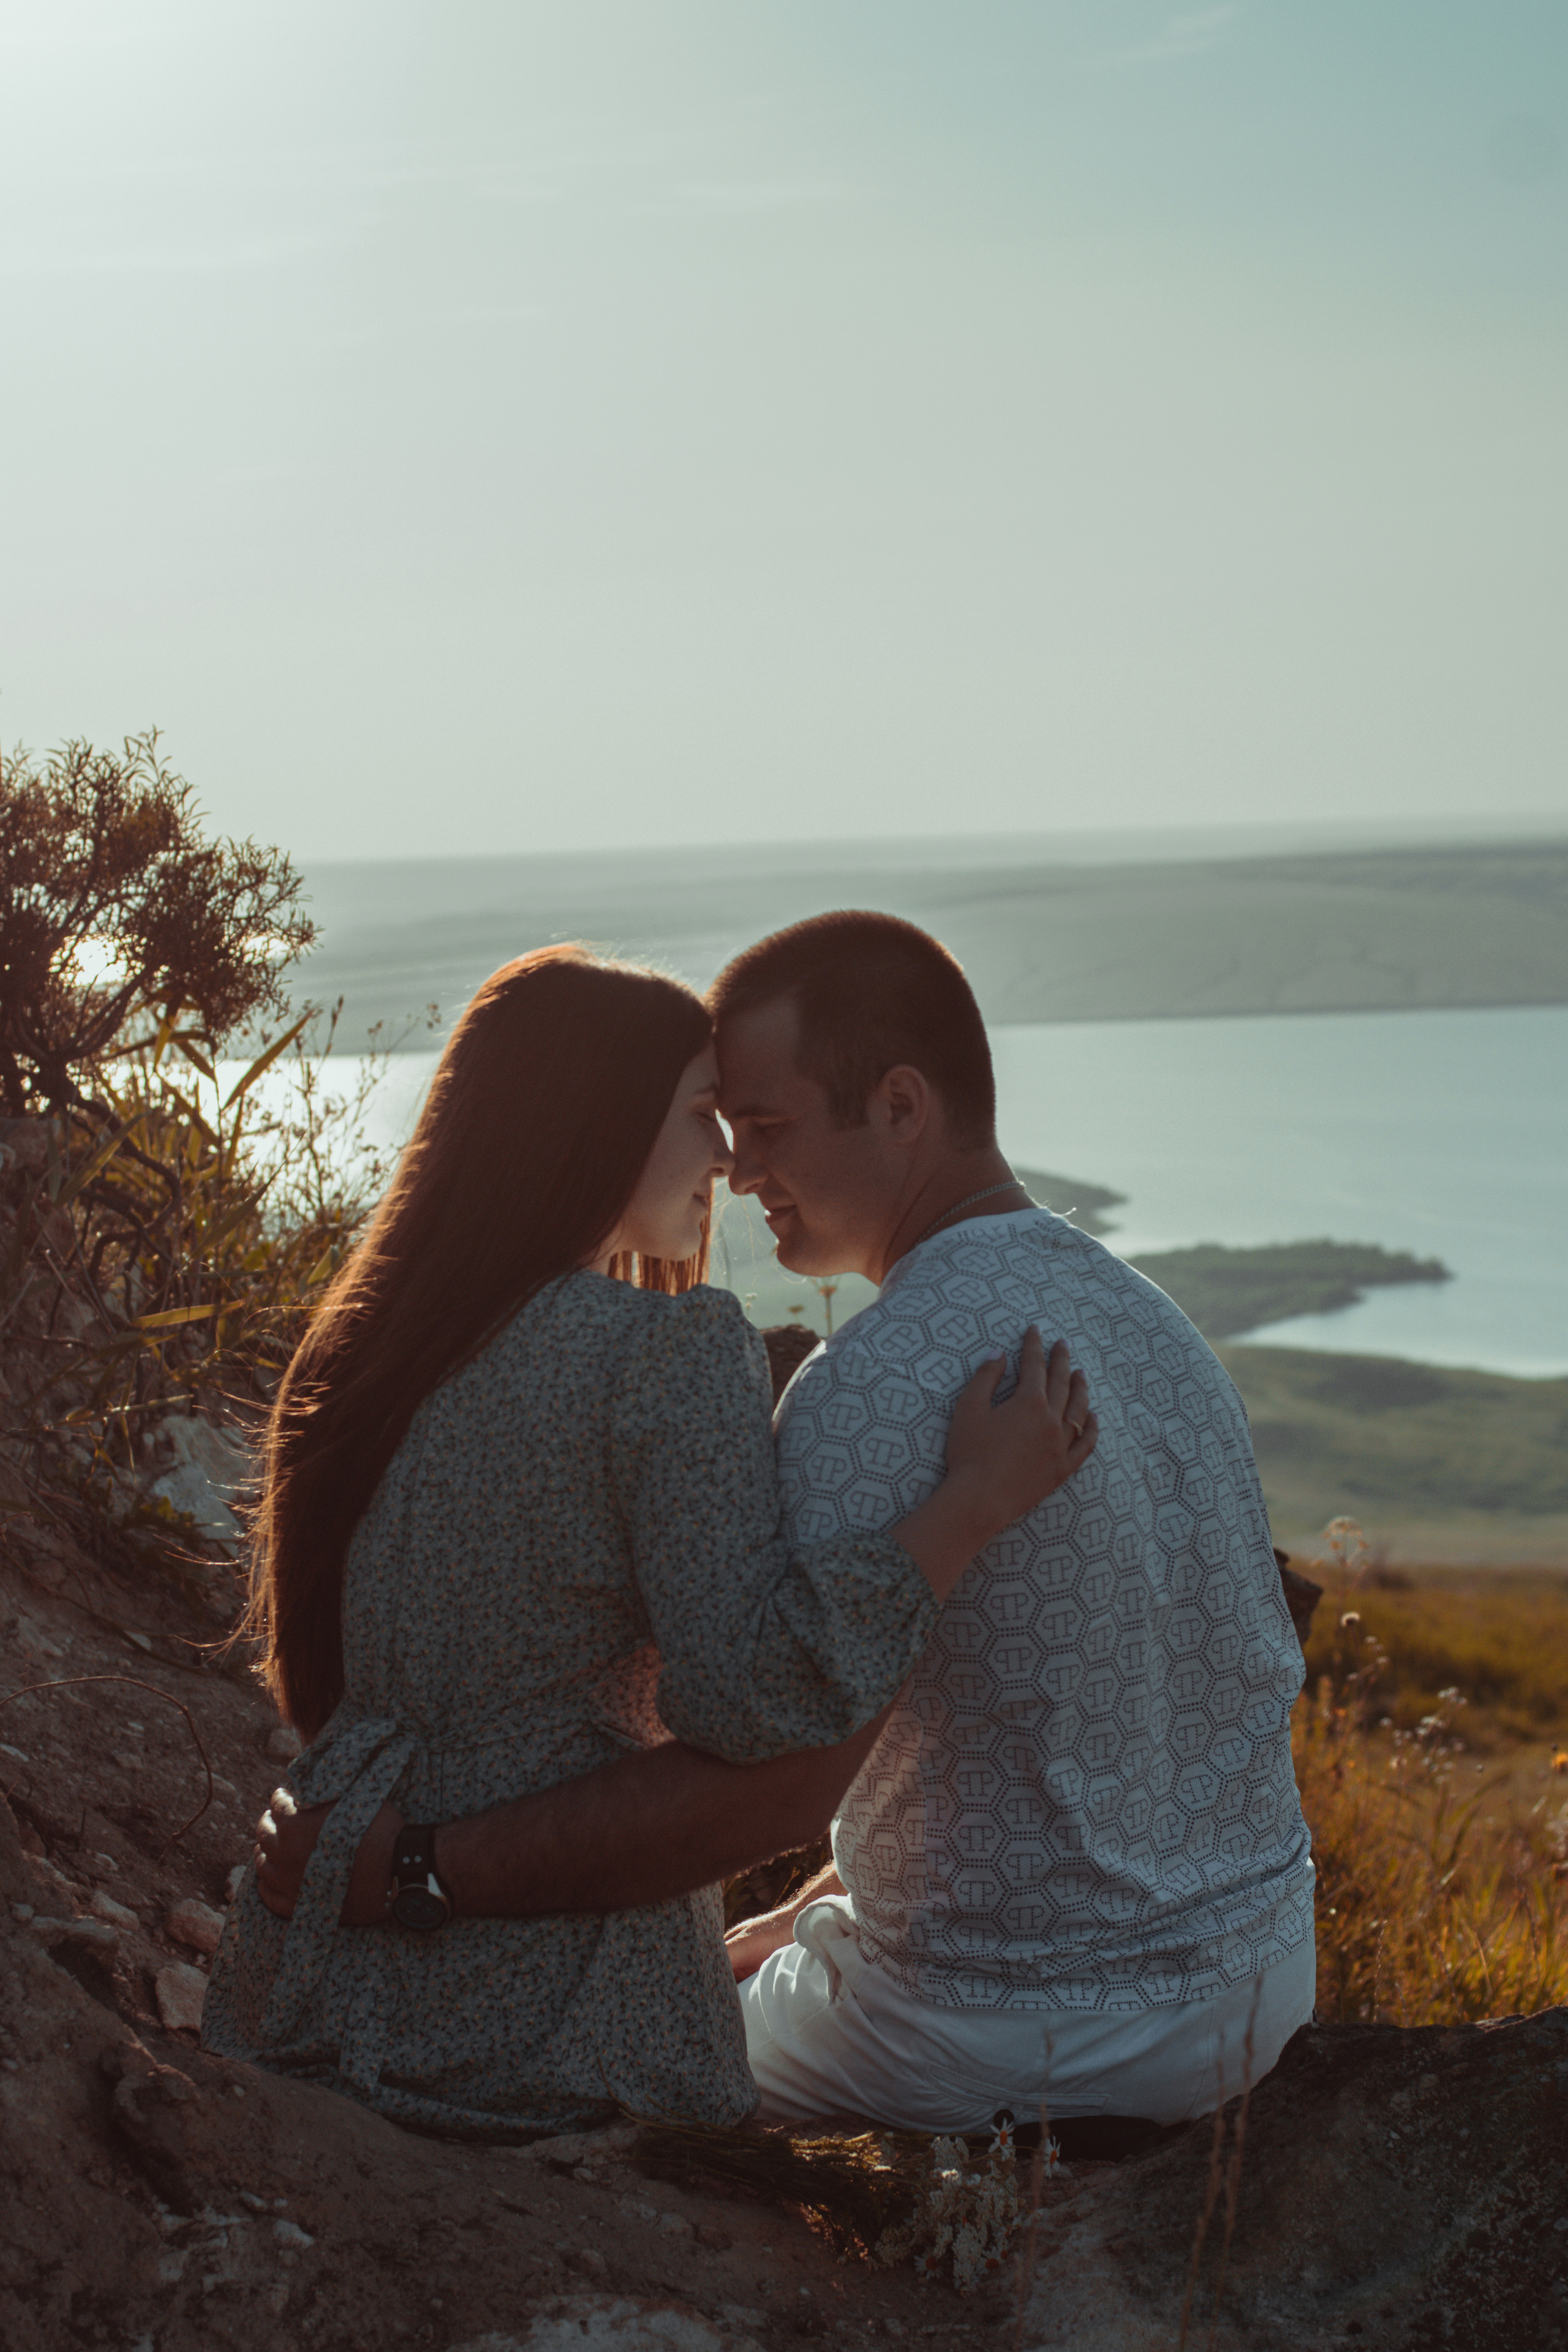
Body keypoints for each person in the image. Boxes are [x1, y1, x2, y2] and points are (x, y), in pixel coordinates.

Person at [258, 911, 1314, 2134]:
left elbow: (763, 1792)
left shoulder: (868, 1389)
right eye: (723, 1124)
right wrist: (815, 1914)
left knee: (622, 2056)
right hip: (1257, 1985)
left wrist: (412, 1869)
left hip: (1000, 2035)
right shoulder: (1154, 1329)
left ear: (900, 1106)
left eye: (766, 1126)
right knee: (746, 1957)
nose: (737, 1166)